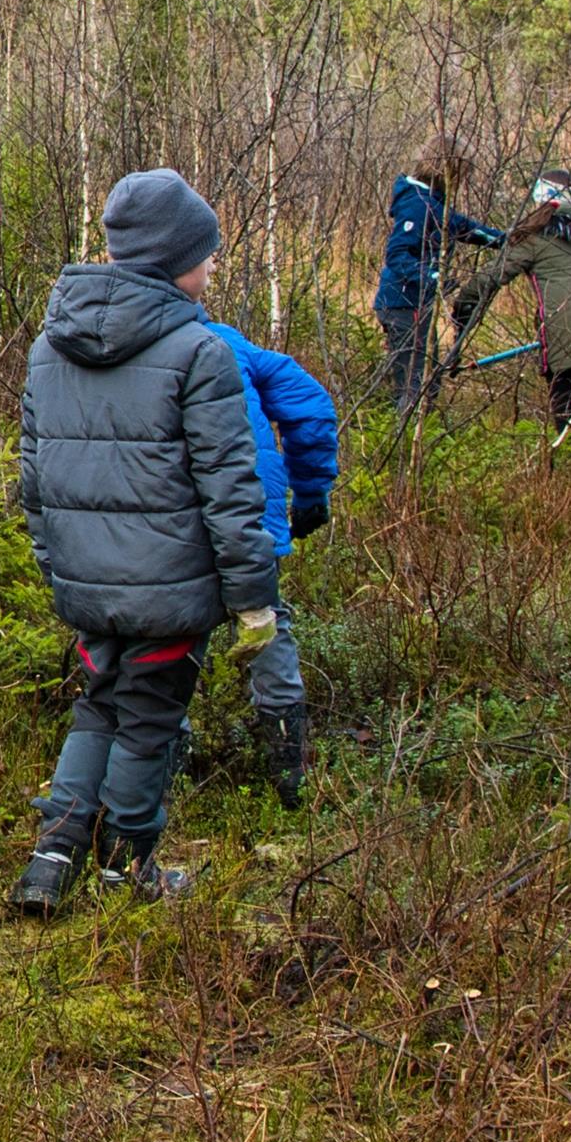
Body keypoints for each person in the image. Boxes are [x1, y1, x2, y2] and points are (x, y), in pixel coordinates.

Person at [10, 169, 276, 917]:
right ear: (171, 259)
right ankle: (127, 869)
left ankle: (50, 859)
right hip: (172, 592)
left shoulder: (47, 347)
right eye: (207, 251)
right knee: (150, 720)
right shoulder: (200, 353)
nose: (215, 264)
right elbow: (230, 490)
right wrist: (254, 600)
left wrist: (58, 566)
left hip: (87, 585)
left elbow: (33, 482)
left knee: (98, 707)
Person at [200, 316, 339, 809]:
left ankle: (165, 769)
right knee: (266, 618)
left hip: (164, 526)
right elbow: (310, 406)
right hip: (252, 511)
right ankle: (289, 776)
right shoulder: (229, 341)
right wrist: (311, 492)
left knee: (169, 633)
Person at [448, 168, 571, 453]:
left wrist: (461, 310)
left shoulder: (534, 236)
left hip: (564, 325)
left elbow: (490, 279)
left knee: (564, 402)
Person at [377, 132, 503, 416]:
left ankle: (401, 435)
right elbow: (397, 256)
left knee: (419, 382)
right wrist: (434, 279)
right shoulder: (418, 205)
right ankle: (401, 445)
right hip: (402, 304)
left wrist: (505, 239)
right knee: (416, 388)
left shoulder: (431, 203)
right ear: (446, 169)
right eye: (460, 172)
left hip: (414, 304)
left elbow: (463, 227)